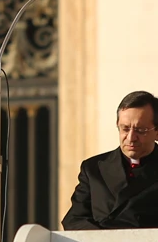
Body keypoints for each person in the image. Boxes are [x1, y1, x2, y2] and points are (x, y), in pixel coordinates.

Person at [63, 91, 158, 230]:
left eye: (140, 130)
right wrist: (106, 239)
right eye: (125, 129)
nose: (131, 138)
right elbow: (74, 219)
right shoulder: (93, 168)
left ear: (157, 131)